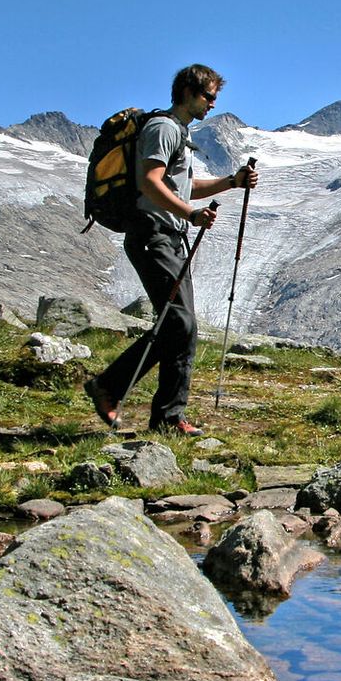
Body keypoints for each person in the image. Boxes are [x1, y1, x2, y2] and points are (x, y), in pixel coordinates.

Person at [84, 64, 258, 435]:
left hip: (169, 235)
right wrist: (190, 215)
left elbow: (181, 185)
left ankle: (167, 417)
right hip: (154, 234)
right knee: (178, 323)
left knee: (182, 327)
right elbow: (149, 182)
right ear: (189, 92)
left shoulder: (177, 132)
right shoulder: (164, 128)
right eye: (209, 96)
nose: (212, 104)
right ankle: (110, 388)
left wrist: (231, 182)